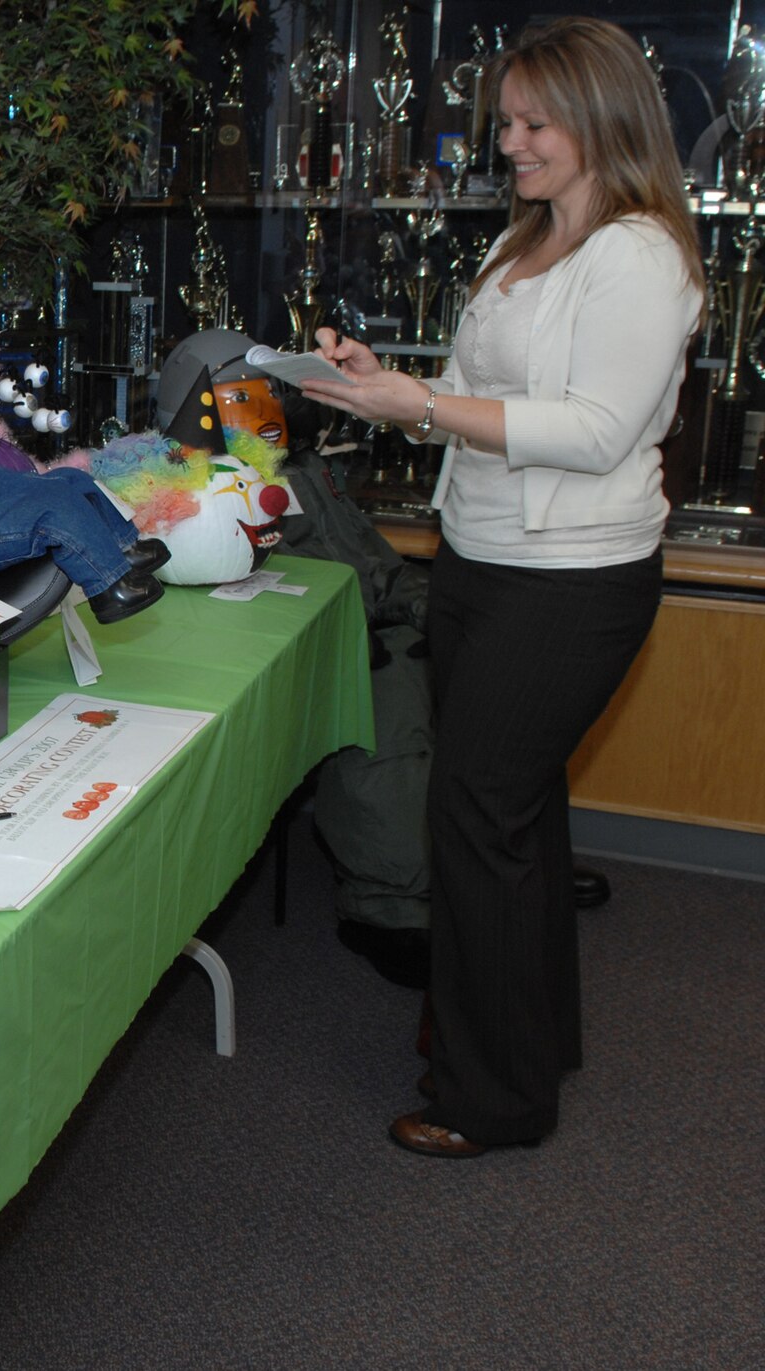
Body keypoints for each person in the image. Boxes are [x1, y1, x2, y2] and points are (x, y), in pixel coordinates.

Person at [299, 17, 703, 1158]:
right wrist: (391, 383)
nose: (508, 144)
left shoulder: (637, 253)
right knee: (512, 816)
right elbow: (484, 395)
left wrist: (414, 409)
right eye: (505, 123)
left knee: (474, 819)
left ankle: (492, 1100)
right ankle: (529, 1047)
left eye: (531, 124)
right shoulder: (525, 241)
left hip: (569, 586)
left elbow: (588, 431)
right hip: (481, 562)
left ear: (598, 120)